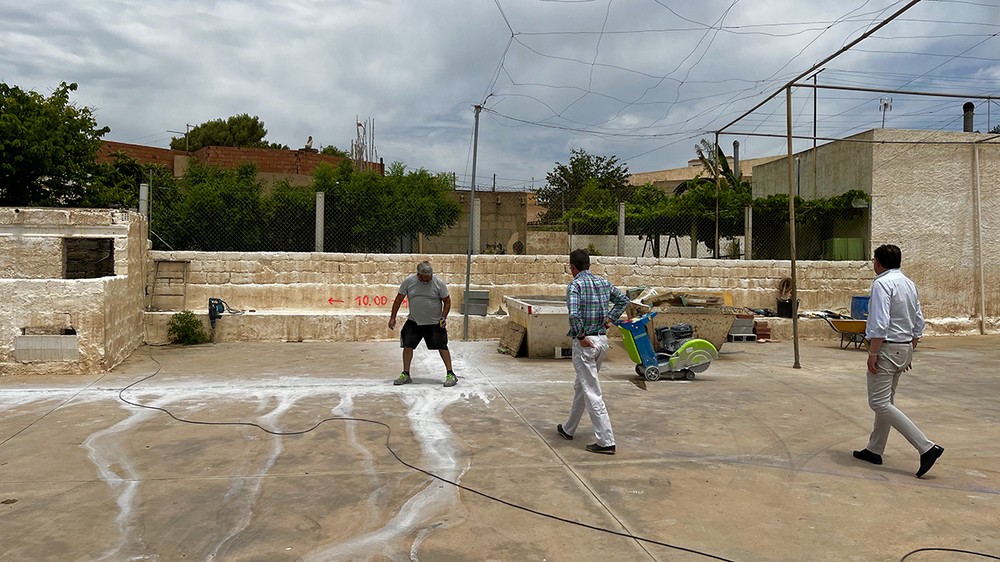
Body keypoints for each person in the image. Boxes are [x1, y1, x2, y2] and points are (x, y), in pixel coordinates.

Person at [853, 244, 943, 478]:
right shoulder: (908, 283)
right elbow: (918, 319)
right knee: (886, 400)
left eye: (874, 260)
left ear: (878, 263)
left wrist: (873, 353)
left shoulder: (882, 283)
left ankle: (926, 447)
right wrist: (909, 348)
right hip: (902, 348)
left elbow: (880, 322)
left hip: (886, 347)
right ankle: (875, 449)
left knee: (879, 403)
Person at [556, 249, 630, 455]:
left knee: (591, 391)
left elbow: (574, 314)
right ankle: (569, 428)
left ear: (572, 267)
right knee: (582, 385)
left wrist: (580, 337)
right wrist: (609, 319)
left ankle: (606, 441)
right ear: (588, 264)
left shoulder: (575, 285)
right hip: (601, 341)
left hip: (586, 343)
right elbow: (623, 300)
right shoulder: (603, 283)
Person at [388, 261, 458, 387]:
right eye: (423, 277)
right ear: (418, 274)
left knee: (442, 346)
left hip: (434, 323)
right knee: (407, 346)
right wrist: (393, 317)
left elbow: (447, 301)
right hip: (414, 321)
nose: (426, 279)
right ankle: (406, 374)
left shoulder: (438, 283)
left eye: (428, 277)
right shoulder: (409, 282)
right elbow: (399, 299)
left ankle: (450, 373)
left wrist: (443, 317)